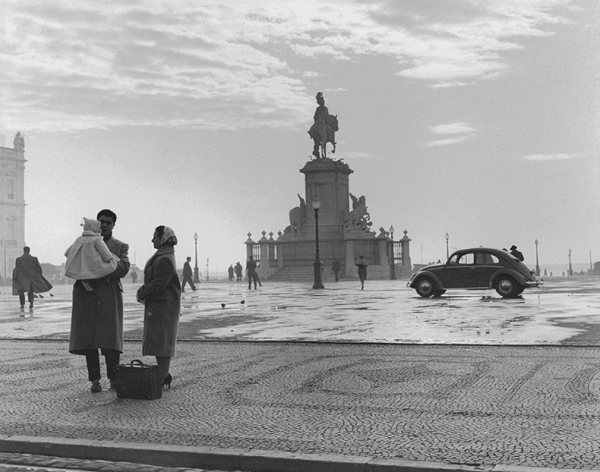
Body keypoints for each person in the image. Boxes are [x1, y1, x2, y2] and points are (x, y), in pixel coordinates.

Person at [68, 209, 130, 393]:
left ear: (113, 225)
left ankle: (113, 378)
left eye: (108, 222)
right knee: (89, 340)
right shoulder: (83, 241)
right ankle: (94, 380)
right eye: (101, 221)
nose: (103, 225)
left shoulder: (120, 246)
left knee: (110, 340)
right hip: (87, 296)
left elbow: (123, 268)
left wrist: (99, 268)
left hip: (108, 295)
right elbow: (72, 260)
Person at [136, 226, 181, 390]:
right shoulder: (165, 255)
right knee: (160, 341)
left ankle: (163, 375)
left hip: (163, 306)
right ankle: (163, 374)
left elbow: (158, 284)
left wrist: (142, 292)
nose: (152, 240)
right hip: (161, 305)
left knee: (162, 342)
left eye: (155, 237)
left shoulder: (164, 258)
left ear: (163, 239)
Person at [64, 217, 119, 283]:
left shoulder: (79, 239)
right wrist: (110, 259)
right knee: (106, 268)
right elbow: (105, 253)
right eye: (99, 228)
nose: (100, 230)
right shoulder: (97, 239)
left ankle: (85, 282)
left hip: (83, 267)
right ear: (94, 228)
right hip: (94, 264)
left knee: (85, 275)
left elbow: (67, 253)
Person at [13, 246, 53, 312]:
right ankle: (31, 301)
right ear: (29, 251)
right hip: (32, 277)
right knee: (30, 290)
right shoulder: (34, 259)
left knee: (21, 291)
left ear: (23, 251)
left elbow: (17, 269)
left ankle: (22, 304)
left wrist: (16, 277)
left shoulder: (18, 259)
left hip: (22, 278)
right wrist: (39, 275)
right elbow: (39, 268)